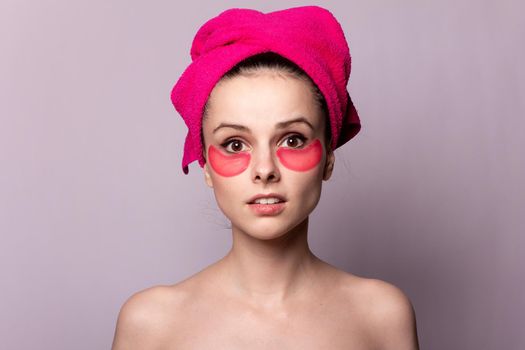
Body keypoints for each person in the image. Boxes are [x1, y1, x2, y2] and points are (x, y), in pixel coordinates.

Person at [112, 6, 419, 349]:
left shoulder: (382, 315)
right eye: (234, 144)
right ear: (206, 166)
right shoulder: (151, 324)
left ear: (329, 157)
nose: (264, 169)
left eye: (293, 140)